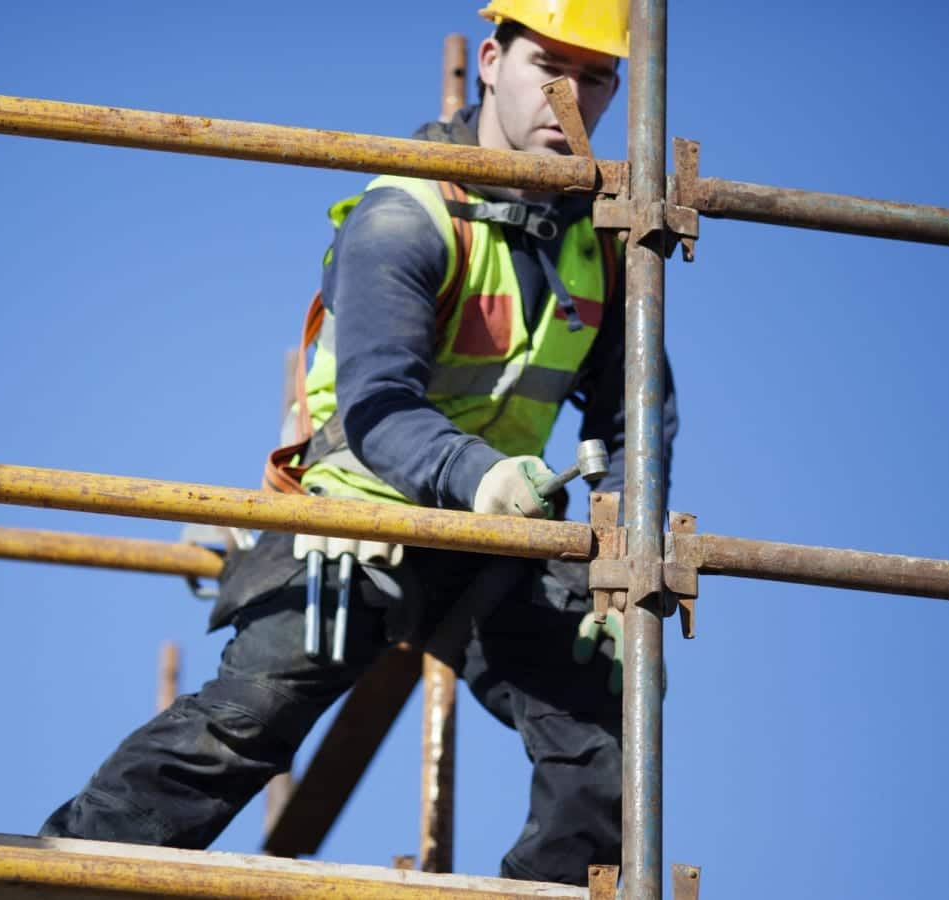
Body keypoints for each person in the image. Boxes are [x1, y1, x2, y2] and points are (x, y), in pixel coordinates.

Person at [39, 0, 678, 885]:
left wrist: (623, 551)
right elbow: (378, 402)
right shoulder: (405, 214)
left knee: (612, 725)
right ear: (490, 61)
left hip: (504, 539)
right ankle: (62, 872)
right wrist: (481, 477)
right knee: (247, 720)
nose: (571, 97)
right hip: (357, 518)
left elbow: (641, 416)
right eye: (549, 69)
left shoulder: (605, 245)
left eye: (598, 77)